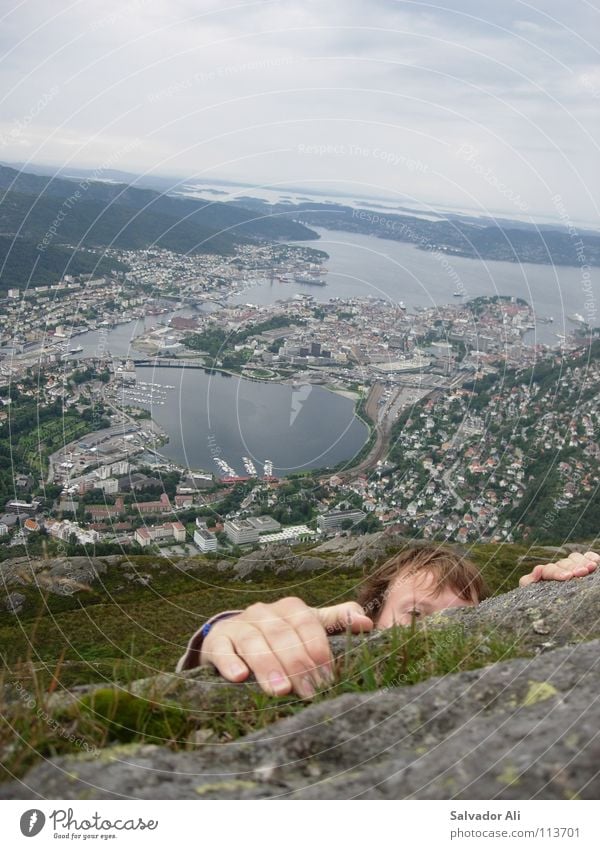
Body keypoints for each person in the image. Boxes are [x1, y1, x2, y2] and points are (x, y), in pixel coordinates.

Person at [176, 544, 599, 699]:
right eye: (415, 614)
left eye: (463, 618)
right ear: (370, 620)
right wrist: (226, 629)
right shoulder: (334, 675)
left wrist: (553, 596)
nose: (437, 630)